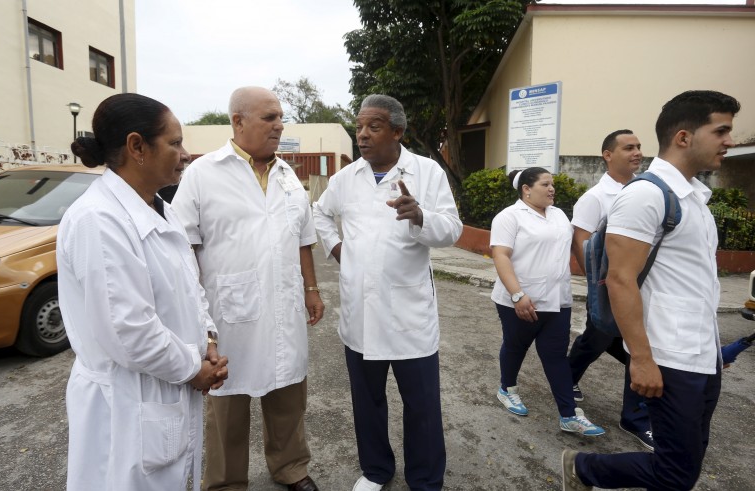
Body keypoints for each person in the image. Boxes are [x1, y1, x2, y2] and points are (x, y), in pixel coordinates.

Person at [562, 90, 740, 491]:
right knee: (676, 474)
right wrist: (640, 359)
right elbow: (620, 279)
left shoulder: (694, 198)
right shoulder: (646, 195)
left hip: (701, 355)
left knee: (688, 461)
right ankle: (582, 468)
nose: (729, 141)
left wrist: (713, 348)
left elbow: (692, 283)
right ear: (683, 137)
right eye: (721, 130)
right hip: (669, 356)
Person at [58, 93, 229, 490]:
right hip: (125, 402)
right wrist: (194, 369)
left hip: (162, 387)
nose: (185, 154)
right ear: (137, 147)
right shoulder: (98, 220)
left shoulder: (159, 209)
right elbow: (129, 332)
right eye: (174, 142)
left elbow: (190, 286)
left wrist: (207, 339)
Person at [172, 86, 324, 491]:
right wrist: (193, 316)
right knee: (227, 406)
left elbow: (303, 239)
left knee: (288, 394)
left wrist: (311, 288)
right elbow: (183, 247)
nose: (279, 125)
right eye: (269, 118)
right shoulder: (204, 174)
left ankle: (291, 467)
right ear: (238, 122)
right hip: (227, 314)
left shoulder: (289, 175)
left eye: (280, 117)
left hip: (284, 307)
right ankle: (225, 482)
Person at [312, 94, 462, 491]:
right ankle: (376, 470)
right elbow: (321, 213)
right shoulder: (346, 178)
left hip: (408, 314)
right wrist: (339, 250)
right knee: (367, 402)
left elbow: (452, 229)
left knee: (422, 406)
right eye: (359, 126)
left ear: (397, 131)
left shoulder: (427, 172)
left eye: (373, 126)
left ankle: (426, 480)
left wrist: (421, 216)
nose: (361, 135)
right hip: (360, 314)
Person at [491, 167, 605, 437]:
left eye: (552, 184)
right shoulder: (509, 217)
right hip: (519, 300)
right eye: (545, 184)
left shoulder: (559, 215)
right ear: (526, 189)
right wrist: (518, 294)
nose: (552, 188)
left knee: (555, 356)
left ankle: (569, 415)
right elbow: (501, 256)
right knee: (516, 346)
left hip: (558, 301)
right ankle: (507, 389)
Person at [568, 130, 653, 450]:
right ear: (607, 155)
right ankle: (567, 377)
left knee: (632, 344)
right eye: (628, 147)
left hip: (640, 287)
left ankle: (635, 414)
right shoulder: (595, 198)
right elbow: (582, 243)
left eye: (639, 147)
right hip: (607, 287)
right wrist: (595, 288)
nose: (637, 152)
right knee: (597, 339)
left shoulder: (644, 191)